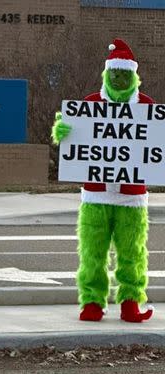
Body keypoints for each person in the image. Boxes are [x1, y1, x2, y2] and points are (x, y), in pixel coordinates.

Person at [51, 38, 154, 322]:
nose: (119, 80)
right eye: (115, 74)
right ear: (107, 75)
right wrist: (64, 131)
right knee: (92, 251)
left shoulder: (146, 108)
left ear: (134, 77)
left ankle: (130, 301)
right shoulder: (90, 105)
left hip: (132, 197)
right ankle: (92, 302)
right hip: (95, 195)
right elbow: (75, 137)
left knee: (132, 252)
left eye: (124, 75)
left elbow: (155, 145)